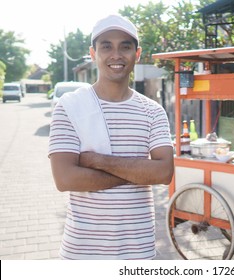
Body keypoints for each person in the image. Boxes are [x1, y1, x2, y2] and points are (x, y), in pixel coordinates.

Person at [48, 14, 174, 260]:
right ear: (93, 54)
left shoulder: (153, 111)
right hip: (82, 252)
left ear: (137, 54)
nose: (116, 54)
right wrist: (137, 173)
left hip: (138, 252)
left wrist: (97, 160)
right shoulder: (70, 106)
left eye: (125, 46)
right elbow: (65, 179)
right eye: (106, 46)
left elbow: (163, 173)